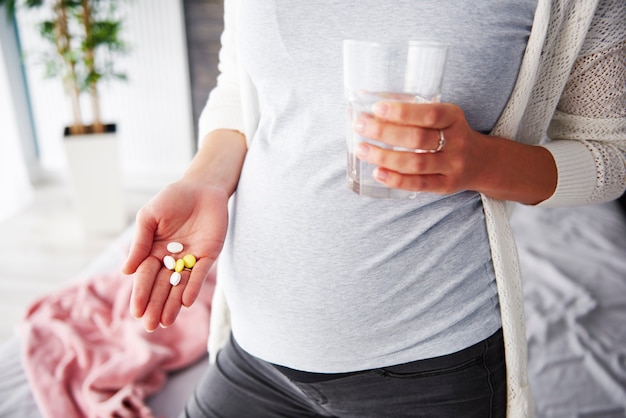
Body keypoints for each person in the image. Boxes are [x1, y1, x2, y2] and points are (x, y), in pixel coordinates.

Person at [121, 0, 626, 417]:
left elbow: (611, 154)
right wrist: (204, 181)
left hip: (428, 371)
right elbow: (244, 83)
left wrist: (481, 162)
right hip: (255, 352)